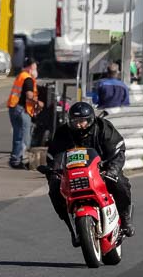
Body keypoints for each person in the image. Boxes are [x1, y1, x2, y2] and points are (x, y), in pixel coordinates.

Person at [46, 101, 135, 246]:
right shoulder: (63, 133)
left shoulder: (103, 127)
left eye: (83, 121)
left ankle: (125, 219)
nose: (79, 125)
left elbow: (118, 151)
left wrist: (112, 169)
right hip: (72, 174)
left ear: (91, 120)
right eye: (75, 121)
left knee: (120, 183)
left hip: (102, 170)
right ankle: (72, 228)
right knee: (54, 189)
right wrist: (54, 173)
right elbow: (55, 156)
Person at [6, 57, 43, 169]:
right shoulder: (28, 79)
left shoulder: (21, 76)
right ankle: (20, 160)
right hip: (21, 110)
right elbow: (29, 95)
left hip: (14, 108)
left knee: (18, 135)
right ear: (30, 67)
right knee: (24, 136)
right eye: (34, 66)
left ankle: (15, 159)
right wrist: (39, 103)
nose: (36, 69)